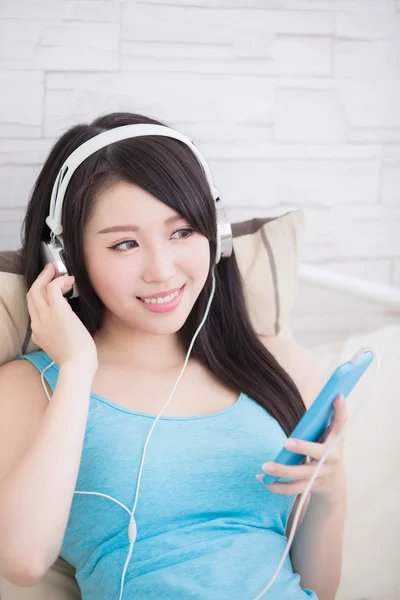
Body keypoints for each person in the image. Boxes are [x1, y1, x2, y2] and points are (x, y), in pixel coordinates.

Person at [0, 112, 347, 600]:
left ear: (217, 233)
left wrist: (330, 494)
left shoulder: (282, 368)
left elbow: (320, 590)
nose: (162, 271)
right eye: (124, 243)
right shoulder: (30, 388)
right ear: (65, 259)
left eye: (182, 232)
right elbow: (23, 559)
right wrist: (77, 369)